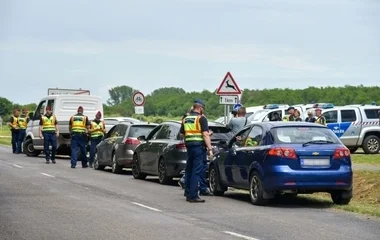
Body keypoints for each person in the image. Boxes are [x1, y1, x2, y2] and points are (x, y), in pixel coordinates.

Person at [180, 99, 213, 203]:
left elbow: (182, 134)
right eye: (203, 108)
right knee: (196, 170)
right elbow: (205, 134)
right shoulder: (201, 118)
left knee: (189, 169)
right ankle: (193, 196)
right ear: (200, 108)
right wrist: (210, 149)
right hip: (198, 147)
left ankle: (188, 192)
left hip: (189, 146)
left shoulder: (185, 118)